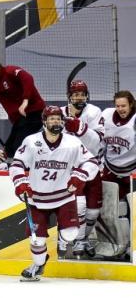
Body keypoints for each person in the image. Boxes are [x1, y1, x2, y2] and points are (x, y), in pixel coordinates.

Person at [9, 106, 98, 281]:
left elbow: (92, 162)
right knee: (37, 241)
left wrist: (79, 177)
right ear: (44, 122)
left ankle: (63, 237)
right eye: (52, 119)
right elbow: (16, 164)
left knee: (71, 234)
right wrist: (21, 183)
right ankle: (38, 265)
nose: (55, 121)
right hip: (37, 198)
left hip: (64, 196)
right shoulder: (31, 141)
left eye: (58, 118)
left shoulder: (73, 143)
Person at [60, 80, 103, 258]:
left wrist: (79, 126)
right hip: (70, 169)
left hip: (92, 166)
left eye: (82, 94)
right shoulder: (59, 113)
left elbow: (97, 141)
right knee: (80, 206)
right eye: (76, 94)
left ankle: (83, 238)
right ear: (70, 96)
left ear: (87, 95)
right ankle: (77, 241)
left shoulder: (94, 112)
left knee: (93, 211)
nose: (79, 97)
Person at [0, 57, 46, 158]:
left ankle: (22, 167)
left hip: (35, 113)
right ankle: (10, 167)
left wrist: (25, 100)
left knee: (18, 146)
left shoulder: (10, 71)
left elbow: (28, 78)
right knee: (9, 147)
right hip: (20, 119)